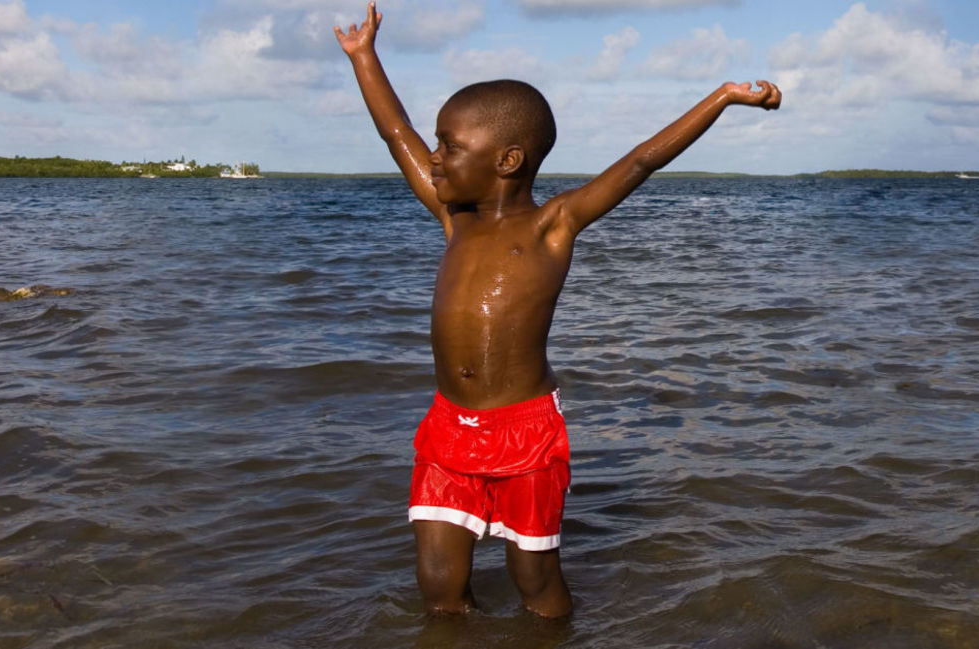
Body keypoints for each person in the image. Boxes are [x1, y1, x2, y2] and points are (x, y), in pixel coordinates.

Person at [334, 2, 780, 618]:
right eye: (437, 144)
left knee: (535, 582)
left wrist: (724, 97)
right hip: (447, 431)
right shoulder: (452, 218)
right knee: (437, 587)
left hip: (524, 433)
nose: (433, 156)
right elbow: (395, 134)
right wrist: (365, 58)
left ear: (507, 161)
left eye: (449, 146)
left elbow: (643, 160)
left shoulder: (554, 225)